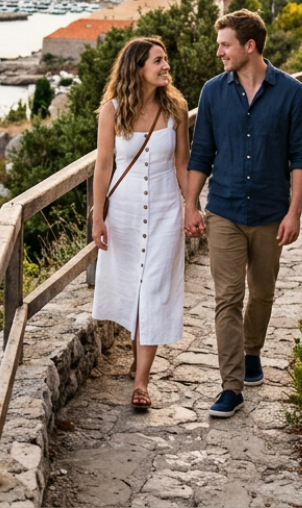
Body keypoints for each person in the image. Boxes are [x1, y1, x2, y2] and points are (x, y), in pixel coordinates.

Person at [184, 9, 302, 418]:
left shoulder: (292, 93)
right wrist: (191, 204)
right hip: (223, 209)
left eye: (225, 44)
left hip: (272, 212)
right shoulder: (212, 92)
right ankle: (231, 386)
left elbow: (301, 158)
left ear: (249, 46)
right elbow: (201, 152)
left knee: (262, 293)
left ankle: (252, 350)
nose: (218, 51)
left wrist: (294, 212)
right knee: (227, 298)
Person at [91, 37, 190, 410]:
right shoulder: (111, 111)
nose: (166, 67)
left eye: (165, 60)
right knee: (133, 290)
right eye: (158, 61)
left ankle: (141, 382)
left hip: (166, 209)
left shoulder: (176, 109)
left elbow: (182, 163)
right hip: (126, 211)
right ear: (138, 68)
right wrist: (98, 215)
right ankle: (140, 355)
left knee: (153, 289)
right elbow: (103, 166)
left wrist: (192, 206)